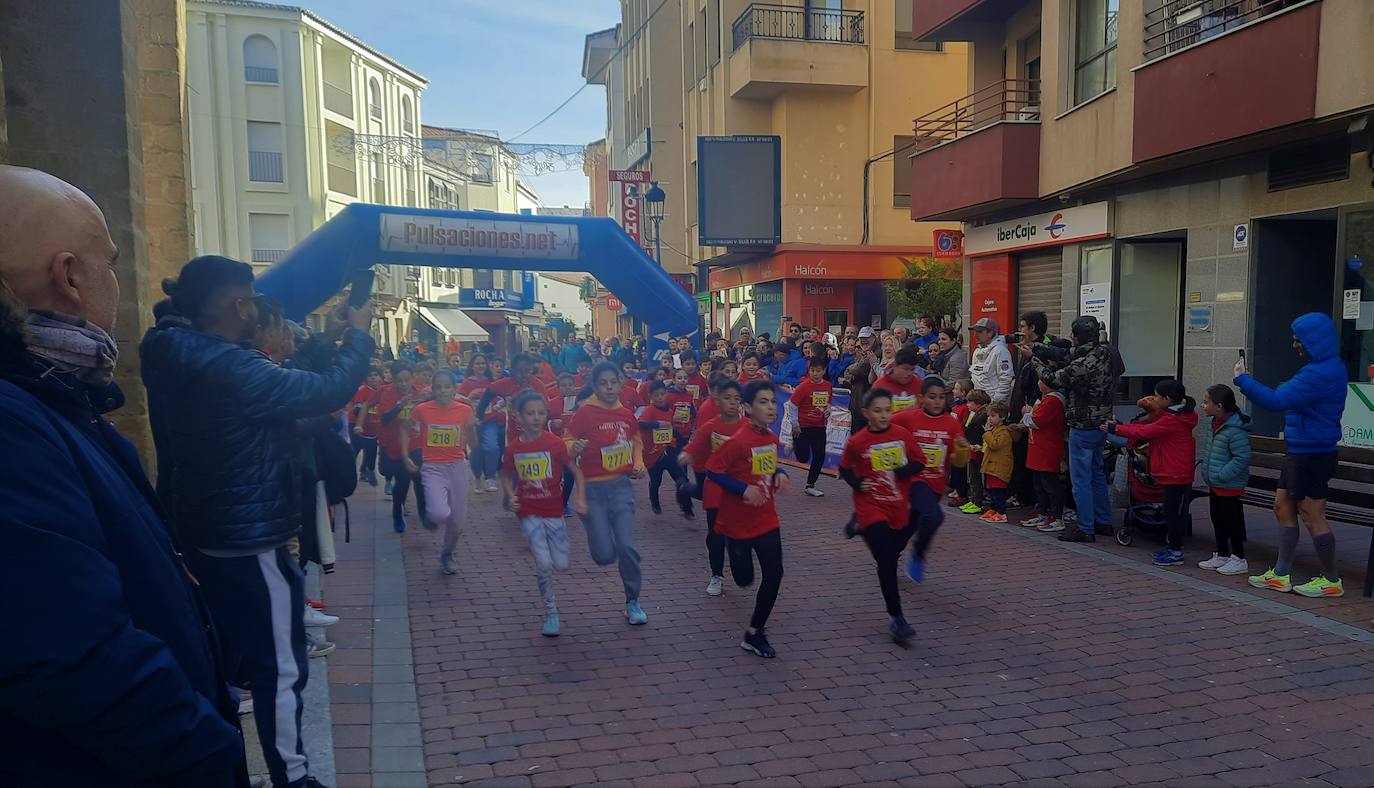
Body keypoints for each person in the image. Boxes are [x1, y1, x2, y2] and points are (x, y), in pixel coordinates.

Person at [0, 166, 248, 787]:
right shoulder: (14, 420)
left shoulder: (57, 398)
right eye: (109, 263)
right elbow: (71, 656)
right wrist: (209, 754)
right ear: (71, 277)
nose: (119, 279)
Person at [142, 254, 373, 788]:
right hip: (249, 539)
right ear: (240, 305)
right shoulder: (231, 367)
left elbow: (284, 394)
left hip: (202, 532)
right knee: (281, 666)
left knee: (221, 658)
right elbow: (322, 394)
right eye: (257, 303)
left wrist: (323, 341)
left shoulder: (176, 352)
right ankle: (293, 778)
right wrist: (358, 338)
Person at [1236, 313, 1347, 597]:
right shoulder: (1318, 368)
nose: (1295, 345)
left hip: (1313, 454)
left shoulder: (1319, 372)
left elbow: (1277, 400)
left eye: (1299, 340)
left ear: (1314, 341)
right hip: (1299, 451)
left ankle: (1331, 580)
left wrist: (1243, 380)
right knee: (1282, 506)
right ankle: (1281, 573)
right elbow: (1291, 397)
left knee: (1312, 515)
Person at [706, 380, 791, 658]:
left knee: (775, 574)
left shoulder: (771, 438)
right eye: (763, 402)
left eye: (773, 402)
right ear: (747, 407)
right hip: (737, 523)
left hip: (766, 518)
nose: (770, 407)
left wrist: (781, 474)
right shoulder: (738, 441)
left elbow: (769, 463)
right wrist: (743, 489)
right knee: (743, 579)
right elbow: (713, 471)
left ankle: (755, 632)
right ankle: (731, 548)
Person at [840, 387, 927, 642]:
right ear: (866, 413)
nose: (884, 416)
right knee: (887, 560)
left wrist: (904, 470)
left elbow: (920, 461)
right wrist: (857, 483)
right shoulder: (857, 441)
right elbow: (845, 468)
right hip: (870, 505)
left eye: (888, 410)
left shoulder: (901, 435)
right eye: (877, 411)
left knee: (898, 542)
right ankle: (897, 618)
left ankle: (859, 527)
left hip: (897, 504)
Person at [566, 362, 650, 624]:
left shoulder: (626, 414)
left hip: (620, 487)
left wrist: (639, 463)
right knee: (604, 555)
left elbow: (636, 441)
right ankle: (593, 525)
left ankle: (632, 600)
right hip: (592, 489)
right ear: (595, 385)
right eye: (604, 383)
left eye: (614, 382)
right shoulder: (585, 412)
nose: (610, 387)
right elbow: (565, 441)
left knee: (626, 546)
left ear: (620, 382)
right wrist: (573, 447)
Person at [1027, 316, 1120, 543]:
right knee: (1097, 473)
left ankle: (1085, 527)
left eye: (1072, 333)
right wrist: (1039, 347)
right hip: (1102, 422)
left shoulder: (1083, 364)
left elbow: (1053, 378)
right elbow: (1066, 354)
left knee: (1081, 479)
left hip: (1082, 424)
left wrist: (1034, 360)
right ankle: (1103, 521)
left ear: (1078, 335)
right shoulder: (1106, 352)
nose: (1070, 336)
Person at [502, 390, 584, 636]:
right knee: (543, 563)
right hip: (528, 512)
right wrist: (510, 495)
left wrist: (581, 497)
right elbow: (505, 475)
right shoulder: (513, 448)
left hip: (553, 510)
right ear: (518, 416)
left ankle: (557, 548)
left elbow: (575, 470)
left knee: (561, 563)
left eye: (540, 413)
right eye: (530, 413)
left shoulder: (554, 443)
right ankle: (551, 612)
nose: (536, 417)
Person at [1107, 379, 1198, 566]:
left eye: (1157, 396)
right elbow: (1143, 427)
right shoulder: (1174, 415)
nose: (1154, 399)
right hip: (1174, 470)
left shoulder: (1171, 419)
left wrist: (1115, 428)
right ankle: (1173, 547)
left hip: (1174, 471)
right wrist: (1120, 425)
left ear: (1167, 398)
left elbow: (1145, 432)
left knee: (1172, 512)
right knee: (1171, 510)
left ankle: (1175, 551)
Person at [892, 376, 971, 583]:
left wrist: (963, 450)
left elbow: (960, 462)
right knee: (934, 516)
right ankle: (918, 554)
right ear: (921, 399)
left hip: (936, 484)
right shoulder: (909, 418)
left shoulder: (952, 424)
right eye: (932, 397)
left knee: (912, 523)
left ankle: (890, 553)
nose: (937, 402)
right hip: (914, 480)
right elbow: (885, 425)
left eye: (940, 397)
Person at [402, 370, 477, 575]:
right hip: (433, 467)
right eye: (438, 387)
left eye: (447, 386)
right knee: (439, 512)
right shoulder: (422, 409)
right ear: (433, 389)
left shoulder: (465, 410)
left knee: (458, 524)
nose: (443, 390)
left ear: (454, 389)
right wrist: (404, 454)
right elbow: (405, 428)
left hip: (457, 467)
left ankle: (447, 554)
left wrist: (471, 429)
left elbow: (474, 445)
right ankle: (432, 515)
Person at [682, 379, 744, 597]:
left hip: (739, 489)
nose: (732, 403)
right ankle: (716, 575)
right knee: (715, 533)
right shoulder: (711, 426)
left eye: (737, 399)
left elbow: (761, 448)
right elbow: (696, 443)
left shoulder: (748, 425)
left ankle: (738, 559)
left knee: (739, 533)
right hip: (715, 487)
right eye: (727, 398)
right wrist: (686, 453)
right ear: (718, 400)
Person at [1198, 384, 1251, 576]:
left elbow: (1242, 457)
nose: (1203, 405)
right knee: (1217, 518)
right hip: (1215, 482)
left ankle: (1239, 557)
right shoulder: (1213, 423)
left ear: (1219, 406)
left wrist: (1222, 474)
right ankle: (1222, 553)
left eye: (1206, 402)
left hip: (1229, 484)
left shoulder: (1235, 428)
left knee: (1232, 521)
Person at [376, 362, 428, 531]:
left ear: (413, 378)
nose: (403, 384)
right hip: (395, 445)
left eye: (407, 380)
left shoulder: (419, 391)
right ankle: (397, 512)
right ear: (393, 379)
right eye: (399, 381)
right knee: (403, 481)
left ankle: (423, 512)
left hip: (415, 442)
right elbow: (385, 419)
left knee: (420, 477)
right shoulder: (388, 393)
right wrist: (399, 405)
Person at [637, 380, 695, 518]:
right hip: (653, 454)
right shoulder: (649, 410)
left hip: (669, 451)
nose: (661, 398)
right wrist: (657, 424)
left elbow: (672, 430)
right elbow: (640, 424)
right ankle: (654, 502)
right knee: (656, 482)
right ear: (651, 396)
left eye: (663, 394)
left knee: (682, 479)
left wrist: (686, 443)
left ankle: (687, 508)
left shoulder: (669, 410)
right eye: (657, 395)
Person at [1019, 378, 1068, 532]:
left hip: (1047, 448)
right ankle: (1042, 512)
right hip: (1040, 448)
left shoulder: (1053, 400)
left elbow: (1036, 421)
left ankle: (1055, 516)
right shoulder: (1047, 399)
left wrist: (1027, 413)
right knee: (1039, 483)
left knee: (1049, 484)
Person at [791, 355, 834, 497]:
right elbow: (792, 405)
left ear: (824, 371)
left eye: (818, 370)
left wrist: (828, 410)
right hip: (803, 426)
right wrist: (795, 424)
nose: (815, 373)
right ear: (809, 371)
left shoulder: (827, 386)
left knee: (819, 455)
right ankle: (795, 443)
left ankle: (810, 485)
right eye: (812, 370)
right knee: (802, 458)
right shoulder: (803, 387)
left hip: (819, 426)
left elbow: (827, 403)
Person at [978, 402, 1022, 523]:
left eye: (993, 416)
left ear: (1002, 417)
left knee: (998, 492)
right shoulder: (995, 430)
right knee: (992, 491)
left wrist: (986, 433)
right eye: (988, 416)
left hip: (999, 468)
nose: (989, 419)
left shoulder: (1003, 432)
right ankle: (993, 509)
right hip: (991, 467)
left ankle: (1001, 512)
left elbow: (994, 445)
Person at [459, 354, 498, 490]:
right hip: (472, 422)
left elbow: (499, 398)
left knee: (492, 447)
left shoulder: (491, 382)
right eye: (477, 363)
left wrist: (497, 405)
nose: (481, 366)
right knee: (476, 451)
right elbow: (458, 399)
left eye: (483, 363)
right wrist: (470, 397)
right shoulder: (467, 383)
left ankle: (491, 477)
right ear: (472, 366)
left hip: (489, 420)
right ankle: (477, 478)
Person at [958, 389, 992, 515]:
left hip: (977, 449)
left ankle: (977, 502)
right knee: (971, 476)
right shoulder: (974, 413)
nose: (967, 405)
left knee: (976, 477)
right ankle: (973, 499)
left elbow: (978, 431)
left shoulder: (982, 415)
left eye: (969, 402)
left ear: (978, 403)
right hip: (972, 448)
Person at [349, 367, 383, 486]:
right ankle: (349, 470)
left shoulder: (382, 390)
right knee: (356, 447)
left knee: (371, 450)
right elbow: (358, 407)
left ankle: (367, 471)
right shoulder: (362, 390)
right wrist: (361, 411)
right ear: (365, 379)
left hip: (373, 426)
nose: (373, 378)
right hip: (356, 423)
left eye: (375, 375)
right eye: (370, 375)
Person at [842, 326, 880, 433]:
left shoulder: (877, 353)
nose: (863, 341)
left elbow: (858, 369)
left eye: (866, 338)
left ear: (873, 338)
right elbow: (847, 371)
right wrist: (851, 373)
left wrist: (852, 372)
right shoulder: (861, 354)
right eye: (861, 338)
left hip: (868, 404)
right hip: (856, 404)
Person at [969, 318, 1014, 404]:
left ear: (990, 333)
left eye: (979, 332)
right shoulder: (977, 351)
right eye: (975, 332)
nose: (975, 335)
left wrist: (995, 403)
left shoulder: (1000, 351)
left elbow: (1006, 380)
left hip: (993, 407)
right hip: (979, 405)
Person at [873, 345, 926, 414]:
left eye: (912, 369)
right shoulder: (879, 386)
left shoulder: (920, 384)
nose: (909, 373)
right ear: (894, 365)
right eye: (905, 369)